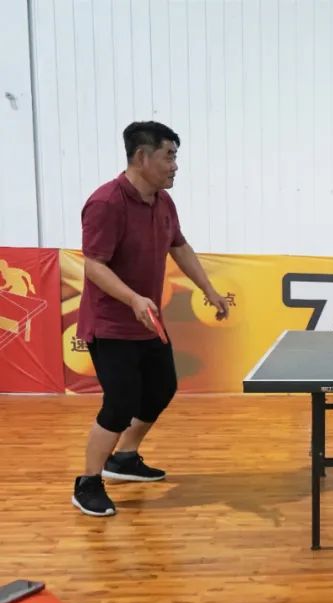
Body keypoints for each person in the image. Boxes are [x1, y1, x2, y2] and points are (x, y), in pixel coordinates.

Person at [73, 121, 229, 517]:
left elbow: (180, 246)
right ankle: (87, 482)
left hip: (148, 321)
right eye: (169, 156)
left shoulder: (163, 202)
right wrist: (133, 299)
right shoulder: (106, 203)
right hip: (111, 325)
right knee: (120, 403)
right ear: (142, 157)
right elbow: (93, 265)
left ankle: (124, 457)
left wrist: (209, 290)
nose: (175, 165)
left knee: (161, 388)